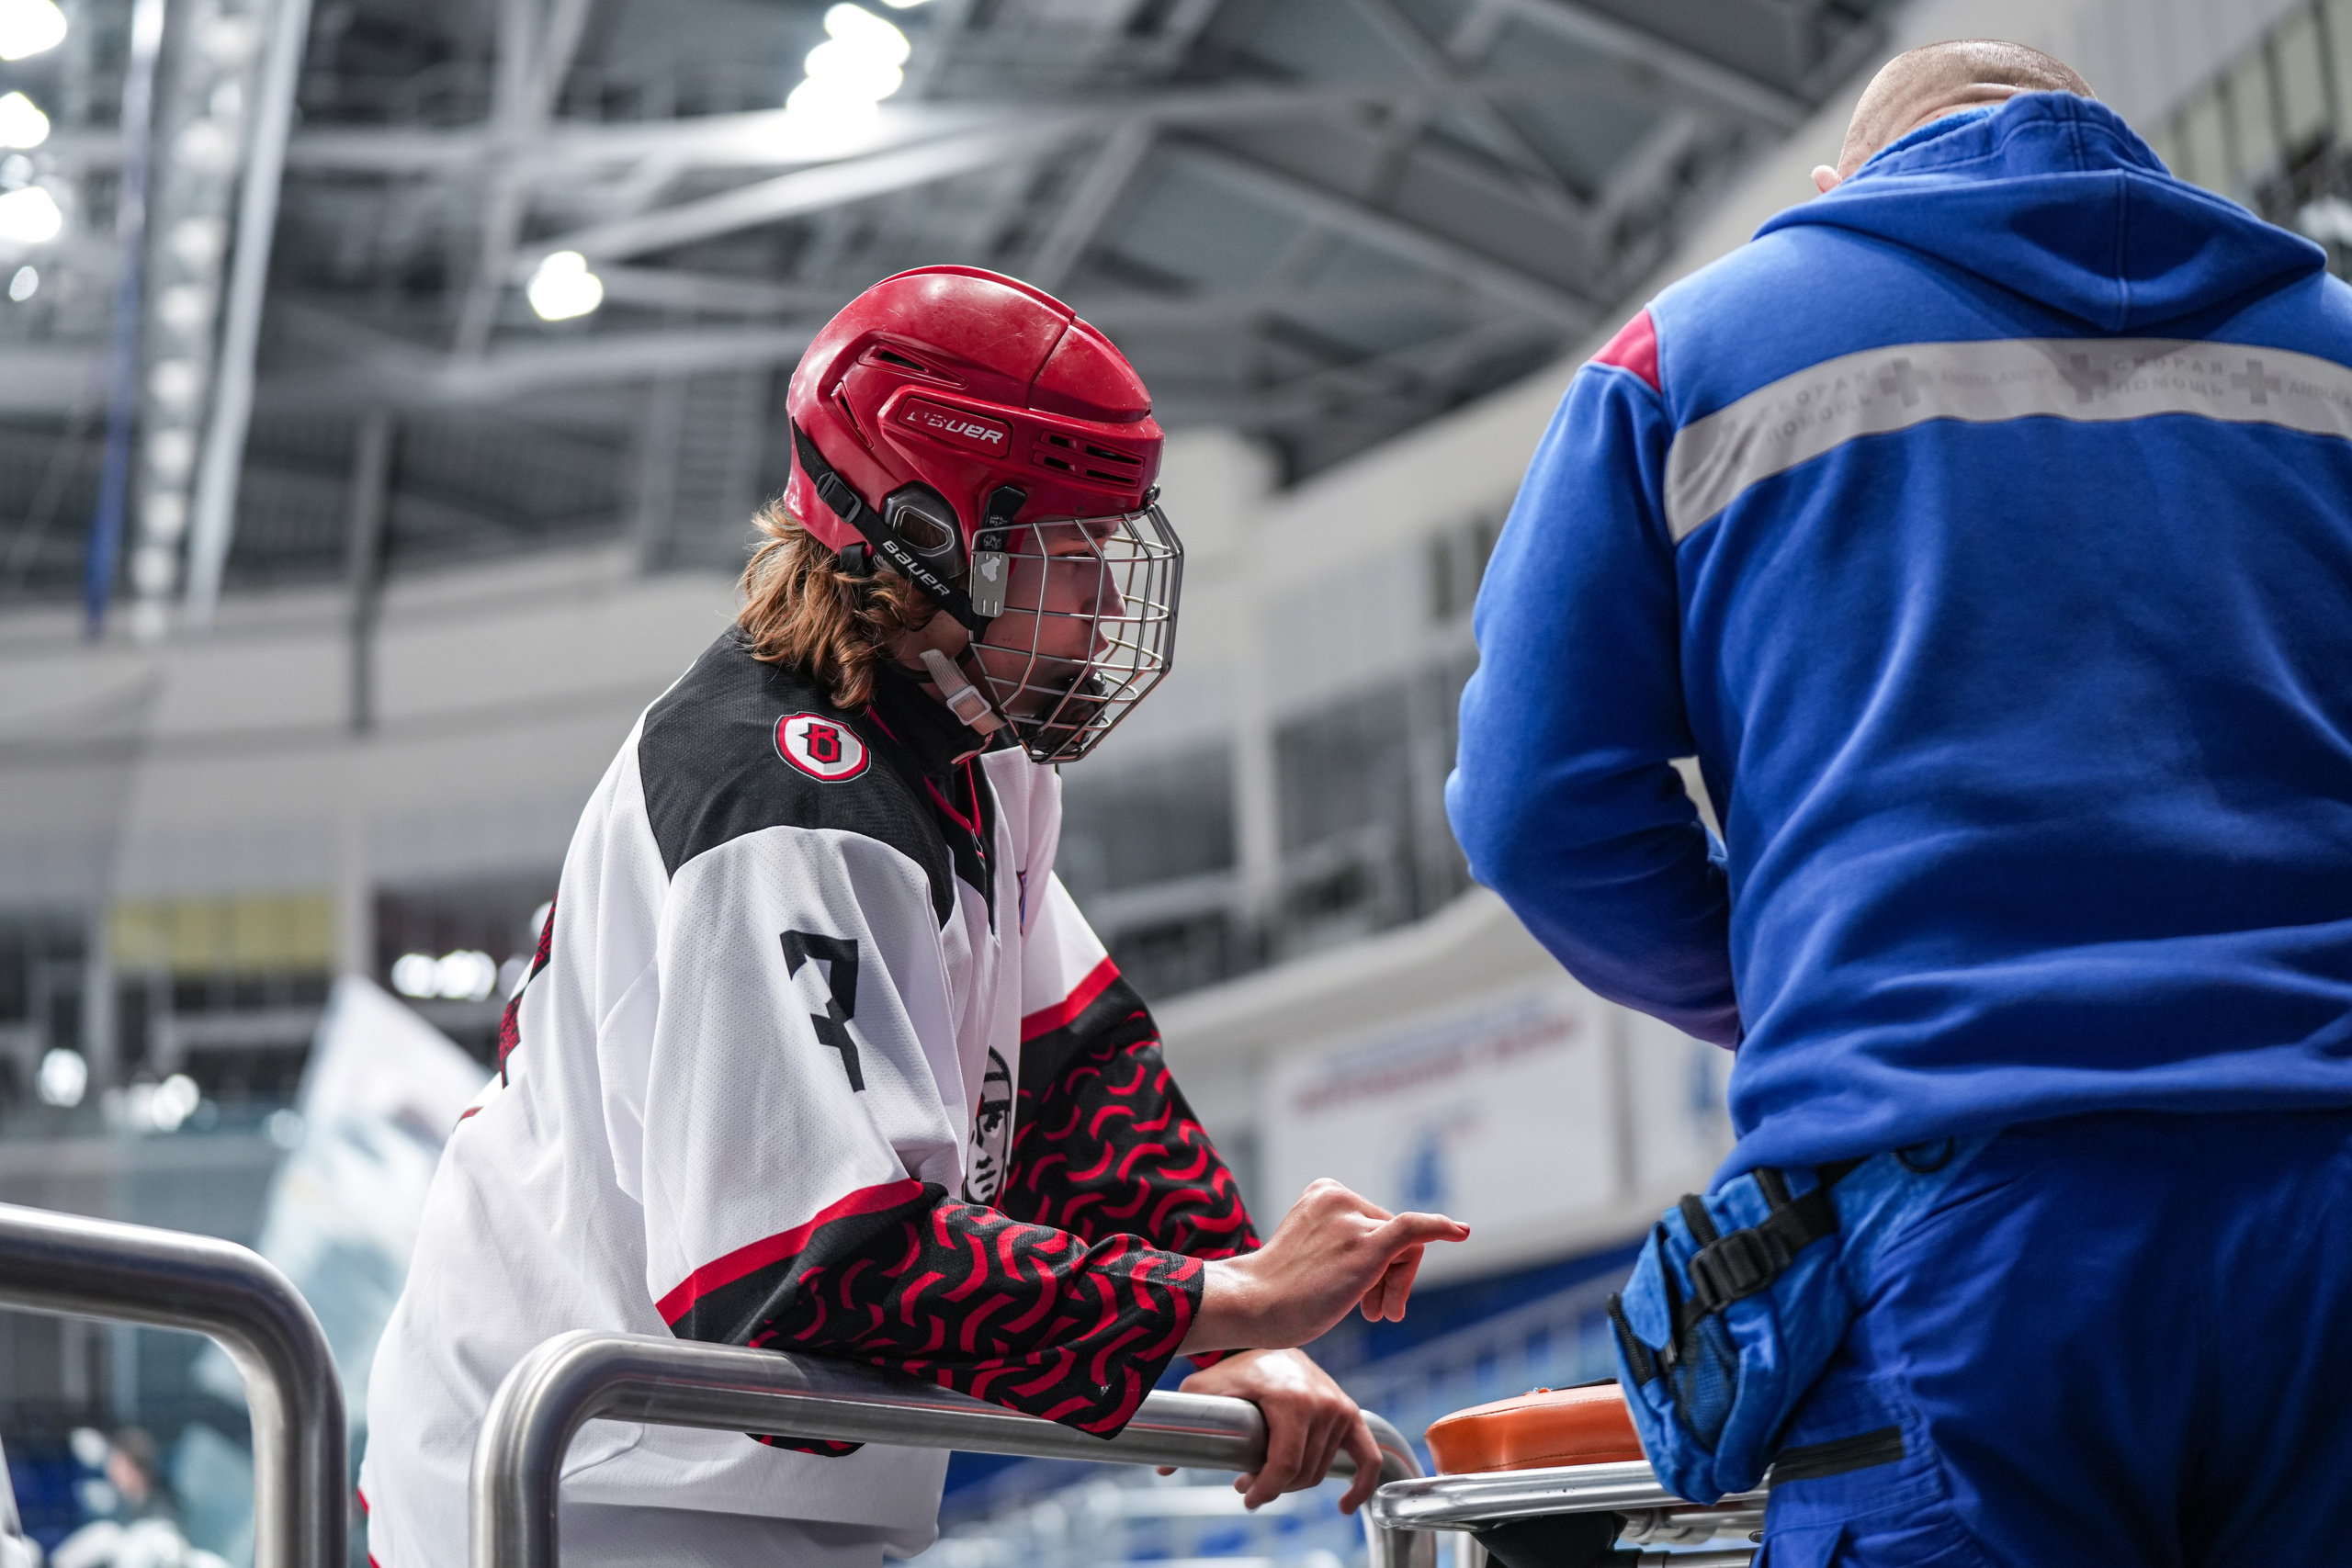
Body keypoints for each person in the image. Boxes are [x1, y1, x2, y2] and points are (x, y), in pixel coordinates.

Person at [359, 265, 1465, 1568]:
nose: (1109, 606)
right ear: (930, 544)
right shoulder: (774, 789)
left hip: (724, 1472)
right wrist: (1225, 1298)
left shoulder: (976, 758)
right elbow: (810, 1272)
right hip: (586, 1484)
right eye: (1073, 554)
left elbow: (1077, 1090)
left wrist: (1240, 1335)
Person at [1450, 39, 2352, 1568]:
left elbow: (1540, 806)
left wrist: (1803, 985)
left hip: (1965, 1220)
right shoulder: (2330, 347)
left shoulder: (1697, 352)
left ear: (1843, 190)